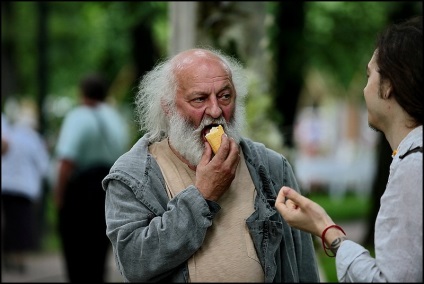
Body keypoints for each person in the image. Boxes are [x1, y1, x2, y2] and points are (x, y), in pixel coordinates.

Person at [102, 48, 320, 282]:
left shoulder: (272, 167)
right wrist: (203, 195)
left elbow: (303, 264)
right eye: (200, 99)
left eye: (225, 96)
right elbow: (134, 264)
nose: (216, 111)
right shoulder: (132, 176)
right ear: (168, 107)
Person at [275, 16, 422, 282]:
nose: (365, 90)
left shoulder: (414, 167)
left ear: (388, 86)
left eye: (369, 76)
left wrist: (325, 228)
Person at [53, 73, 130, 282]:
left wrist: (58, 195)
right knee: (98, 247)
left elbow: (67, 160)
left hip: (80, 190)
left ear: (82, 93)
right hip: (107, 188)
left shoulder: (78, 116)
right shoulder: (115, 117)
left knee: (75, 249)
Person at [1, 110, 50, 274]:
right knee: (21, 223)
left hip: (5, 185)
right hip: (24, 188)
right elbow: (44, 168)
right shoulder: (35, 140)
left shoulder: (10, 134)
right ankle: (19, 258)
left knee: (6, 221)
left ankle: (6, 255)